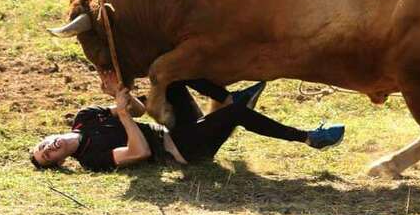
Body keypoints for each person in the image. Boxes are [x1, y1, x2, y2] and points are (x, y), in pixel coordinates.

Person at [30, 71, 345, 171]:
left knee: (172, 76)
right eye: (49, 156)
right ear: (60, 161)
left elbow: (139, 111)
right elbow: (138, 152)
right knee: (235, 117)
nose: (50, 148)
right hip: (182, 152)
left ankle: (227, 98)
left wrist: (121, 96)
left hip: (175, 130)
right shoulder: (91, 160)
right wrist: (123, 115)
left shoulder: (84, 118)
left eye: (43, 146)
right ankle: (308, 138)